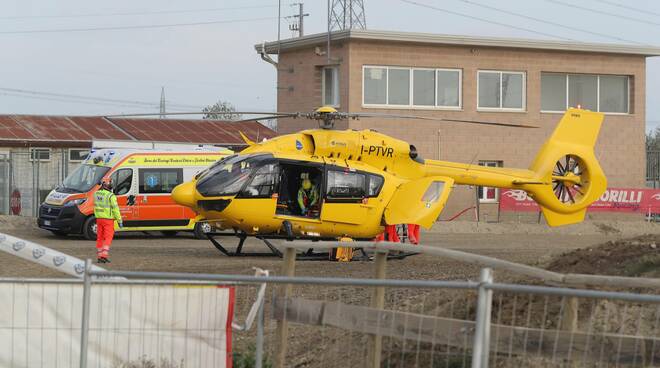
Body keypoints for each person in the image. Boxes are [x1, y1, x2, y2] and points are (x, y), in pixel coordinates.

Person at [93, 177, 122, 263]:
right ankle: (104, 256)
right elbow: (116, 209)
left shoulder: (96, 194)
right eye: (110, 183)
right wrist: (119, 221)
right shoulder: (111, 196)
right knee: (108, 238)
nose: (112, 184)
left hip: (99, 219)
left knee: (100, 238)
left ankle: (99, 257)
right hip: (108, 220)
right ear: (107, 184)